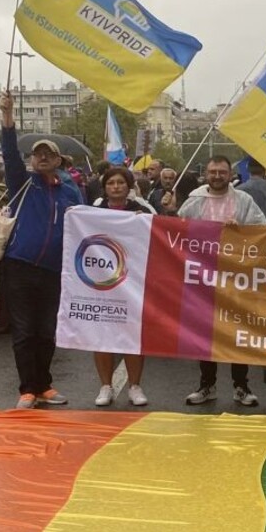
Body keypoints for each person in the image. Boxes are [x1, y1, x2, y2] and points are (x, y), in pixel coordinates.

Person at [0, 94, 82, 409]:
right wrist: (8, 116)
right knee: (24, 330)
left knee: (47, 330)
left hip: (55, 269)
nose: (43, 157)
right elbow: (9, 153)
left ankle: (44, 385)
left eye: (49, 154)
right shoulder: (22, 182)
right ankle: (27, 390)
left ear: (59, 161)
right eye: (38, 154)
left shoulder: (70, 190)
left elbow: (86, 222)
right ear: (32, 160)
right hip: (19, 265)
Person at [178, 156, 266, 406]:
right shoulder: (194, 201)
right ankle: (207, 385)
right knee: (206, 333)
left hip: (236, 277)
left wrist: (241, 230)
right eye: (213, 172)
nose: (217, 176)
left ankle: (241, 386)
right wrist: (168, 211)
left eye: (222, 172)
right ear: (206, 174)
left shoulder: (244, 200)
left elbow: (262, 230)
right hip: (203, 277)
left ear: (230, 175)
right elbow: (176, 231)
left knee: (237, 332)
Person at [90, 166, 155, 407]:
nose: (116, 187)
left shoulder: (142, 210)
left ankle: (135, 386)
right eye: (111, 183)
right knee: (102, 335)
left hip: (133, 282)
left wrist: (149, 220)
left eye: (120, 183)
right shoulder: (93, 211)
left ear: (129, 186)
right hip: (102, 282)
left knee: (132, 334)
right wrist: (73, 215)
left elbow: (161, 232)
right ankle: (105, 386)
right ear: (104, 187)